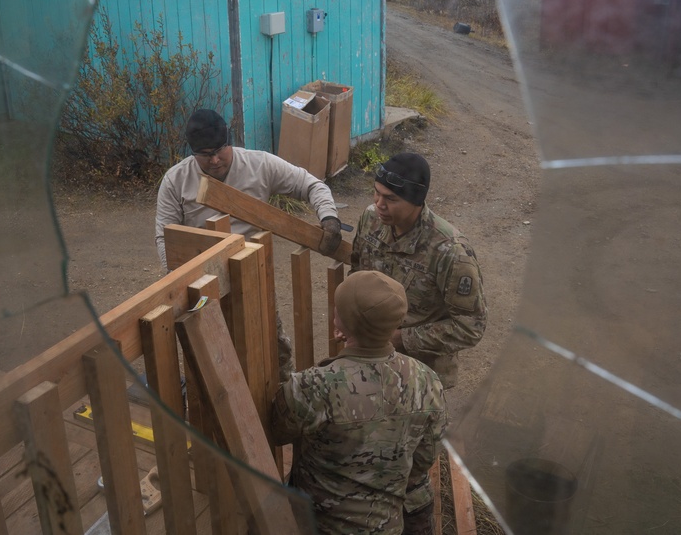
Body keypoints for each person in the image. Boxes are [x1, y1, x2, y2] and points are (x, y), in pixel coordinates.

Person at [154, 108, 343, 378]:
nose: (216, 160)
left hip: (253, 277)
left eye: (220, 150)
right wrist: (180, 279)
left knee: (274, 352)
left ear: (229, 142)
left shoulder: (259, 165)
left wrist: (329, 218)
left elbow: (312, 185)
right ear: (193, 152)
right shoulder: (176, 181)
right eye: (205, 155)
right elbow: (165, 236)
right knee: (210, 360)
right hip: (201, 283)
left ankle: (282, 395)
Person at [270, 270, 447, 535]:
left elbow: (276, 430)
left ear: (340, 323)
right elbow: (422, 461)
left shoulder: (314, 387)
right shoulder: (427, 380)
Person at [350, 152, 486, 388]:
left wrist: (401, 339)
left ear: (416, 201)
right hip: (371, 357)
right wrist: (348, 317)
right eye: (376, 193)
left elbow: (471, 325)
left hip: (422, 375)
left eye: (390, 199)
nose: (379, 204)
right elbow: (356, 273)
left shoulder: (450, 251)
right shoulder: (371, 219)